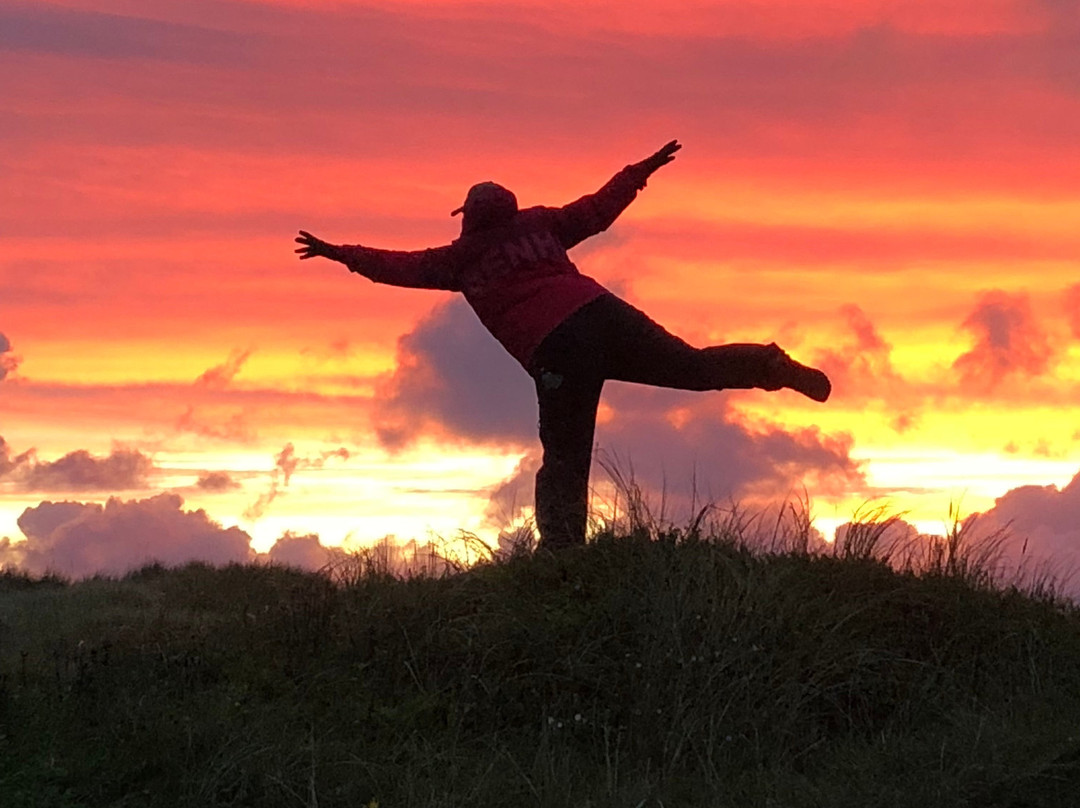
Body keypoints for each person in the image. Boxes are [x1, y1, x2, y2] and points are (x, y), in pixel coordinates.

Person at [295, 140, 830, 550]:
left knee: (566, 455)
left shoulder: (459, 259)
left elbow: (398, 265)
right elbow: (597, 209)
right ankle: (770, 365)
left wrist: (340, 252)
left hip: (556, 349)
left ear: (467, 219)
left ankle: (562, 557)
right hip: (601, 313)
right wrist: (638, 173)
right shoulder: (542, 224)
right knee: (689, 365)